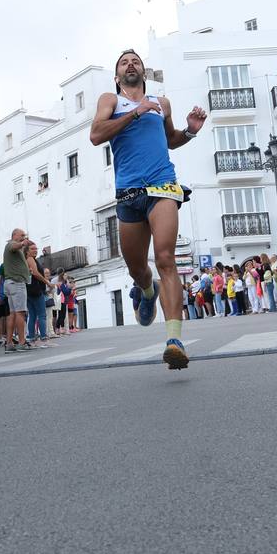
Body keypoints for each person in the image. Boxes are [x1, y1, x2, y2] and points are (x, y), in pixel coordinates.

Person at [90, 49, 208, 369]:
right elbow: (96, 135)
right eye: (124, 62)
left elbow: (170, 140)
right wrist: (135, 112)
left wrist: (191, 131)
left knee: (166, 257)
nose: (131, 64)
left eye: (136, 61)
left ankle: (174, 341)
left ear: (144, 71)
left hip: (162, 185)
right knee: (137, 267)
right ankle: (145, 290)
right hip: (128, 192)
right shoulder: (110, 101)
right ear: (117, 77)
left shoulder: (162, 103)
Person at [1, 229, 34, 352]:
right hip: (16, 283)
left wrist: (26, 270)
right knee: (20, 313)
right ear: (14, 235)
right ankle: (21, 342)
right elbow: (13, 246)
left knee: (13, 314)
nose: (23, 237)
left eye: (24, 236)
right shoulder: (11, 244)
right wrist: (22, 243)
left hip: (10, 283)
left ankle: (9, 343)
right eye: (21, 236)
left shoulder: (13, 247)